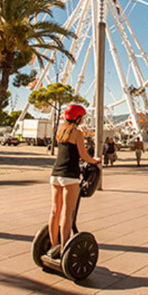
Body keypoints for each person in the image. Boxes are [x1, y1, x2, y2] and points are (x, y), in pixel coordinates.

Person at [47, 104, 101, 259]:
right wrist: (95, 160)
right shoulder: (77, 133)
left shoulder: (61, 130)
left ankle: (53, 245)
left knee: (54, 211)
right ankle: (65, 248)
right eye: (82, 117)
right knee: (67, 214)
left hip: (55, 174)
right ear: (78, 117)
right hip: (70, 176)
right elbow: (83, 156)